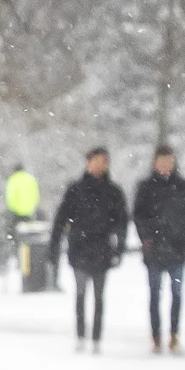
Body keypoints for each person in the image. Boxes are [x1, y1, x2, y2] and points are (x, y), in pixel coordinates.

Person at [51, 148, 129, 351]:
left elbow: (121, 222)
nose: (100, 165)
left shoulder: (113, 192)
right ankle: (80, 334)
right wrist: (55, 245)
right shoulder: (76, 190)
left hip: (102, 249)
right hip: (79, 248)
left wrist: (119, 247)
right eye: (96, 161)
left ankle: (96, 337)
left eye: (104, 162)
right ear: (88, 163)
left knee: (99, 296)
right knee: (81, 294)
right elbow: (61, 219)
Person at [134, 144, 185, 353]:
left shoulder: (184, 188)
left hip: (177, 249)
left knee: (177, 293)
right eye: (161, 162)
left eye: (168, 162)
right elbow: (138, 215)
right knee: (155, 293)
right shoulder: (145, 188)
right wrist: (146, 237)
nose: (165, 166)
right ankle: (156, 335)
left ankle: (174, 334)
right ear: (154, 163)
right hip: (154, 249)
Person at [5, 163, 45, 289]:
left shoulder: (13, 179)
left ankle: (21, 260)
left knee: (19, 240)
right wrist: (31, 207)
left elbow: (10, 197)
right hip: (29, 213)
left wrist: (14, 209)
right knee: (30, 241)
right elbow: (36, 195)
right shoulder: (30, 179)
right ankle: (28, 262)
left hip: (17, 213)